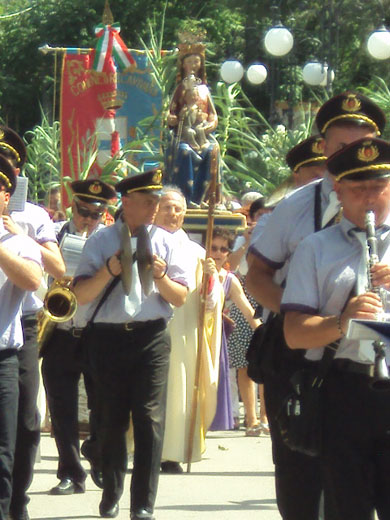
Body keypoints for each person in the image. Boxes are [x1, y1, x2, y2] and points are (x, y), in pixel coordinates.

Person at [246, 91, 385, 520]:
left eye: (361, 144)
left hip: (374, 369)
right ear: (324, 148)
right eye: (341, 148)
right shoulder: (296, 206)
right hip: (305, 357)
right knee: (301, 472)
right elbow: (256, 275)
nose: (367, 192)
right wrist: (307, 316)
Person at [282, 137, 390, 520]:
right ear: (339, 192)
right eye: (359, 189)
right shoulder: (315, 248)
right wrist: (342, 321)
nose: (371, 198)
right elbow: (294, 333)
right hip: (344, 393)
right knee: (347, 509)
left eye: (378, 187)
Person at [72, 169, 189, 520]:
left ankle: (143, 503)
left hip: (150, 336)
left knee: (149, 418)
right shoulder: (101, 240)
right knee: (111, 419)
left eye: (157, 201)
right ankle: (112, 489)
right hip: (109, 338)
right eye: (148, 201)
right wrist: (108, 271)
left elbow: (180, 297)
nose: (155, 208)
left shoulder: (169, 242)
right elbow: (80, 295)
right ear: (127, 203)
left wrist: (162, 276)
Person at [0, 126, 65, 520]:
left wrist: (18, 234)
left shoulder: (34, 217)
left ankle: (16, 501)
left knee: (24, 421)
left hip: (21, 324)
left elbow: (53, 271)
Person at [41, 179, 117, 496]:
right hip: (60, 331)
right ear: (73, 207)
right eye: (83, 211)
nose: (88, 220)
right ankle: (70, 473)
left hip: (96, 332)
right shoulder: (53, 234)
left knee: (103, 404)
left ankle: (97, 452)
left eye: (95, 215)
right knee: (62, 407)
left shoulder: (108, 241)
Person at [154, 186, 221, 473]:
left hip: (184, 332)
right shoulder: (143, 244)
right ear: (155, 209)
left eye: (179, 208)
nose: (174, 213)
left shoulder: (197, 253)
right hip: (150, 328)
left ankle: (174, 452)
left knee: (180, 388)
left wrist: (210, 282)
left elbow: (210, 302)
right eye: (168, 207)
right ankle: (144, 449)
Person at [0, 155, 42, 520]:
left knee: (3, 449)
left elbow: (31, 281)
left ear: (5, 196)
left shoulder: (19, 242)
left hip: (3, 358)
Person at [208, 228, 260, 432]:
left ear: (228, 254)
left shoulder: (231, 279)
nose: (218, 253)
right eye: (213, 248)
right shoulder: (194, 271)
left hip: (217, 336)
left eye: (223, 249)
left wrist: (263, 332)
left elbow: (248, 311)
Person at [166, 44, 219, 207]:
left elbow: (213, 114)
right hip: (184, 134)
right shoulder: (180, 89)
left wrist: (209, 125)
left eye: (197, 62)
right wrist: (174, 119)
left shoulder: (205, 90)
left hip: (203, 133)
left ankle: (205, 198)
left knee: (212, 151)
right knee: (185, 151)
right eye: (190, 62)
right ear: (183, 64)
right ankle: (186, 198)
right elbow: (170, 113)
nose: (194, 66)